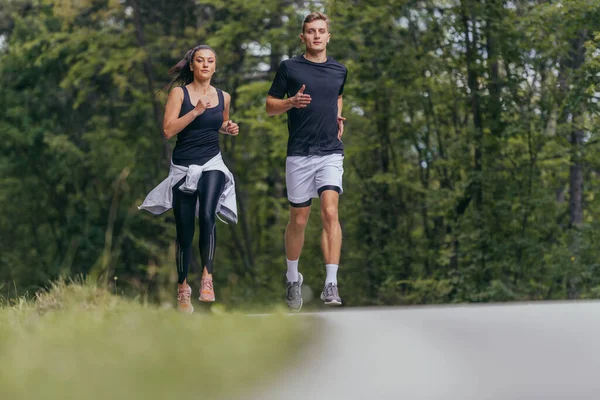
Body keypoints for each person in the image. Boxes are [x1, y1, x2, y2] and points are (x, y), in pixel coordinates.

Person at [139, 45, 240, 313]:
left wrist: (228, 128)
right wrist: (194, 111)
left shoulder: (223, 96)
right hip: (183, 168)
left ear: (215, 67)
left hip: (212, 163)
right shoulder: (178, 94)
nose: (205, 65)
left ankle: (207, 277)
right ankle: (183, 288)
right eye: (200, 60)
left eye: (210, 61)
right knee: (185, 233)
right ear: (192, 66)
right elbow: (168, 130)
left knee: (208, 214)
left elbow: (219, 121)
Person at [266, 12, 348, 311]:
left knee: (329, 211)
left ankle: (331, 283)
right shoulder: (290, 67)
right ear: (303, 37)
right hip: (299, 153)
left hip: (330, 151)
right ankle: (292, 277)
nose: (316, 36)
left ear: (329, 36)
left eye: (321, 31)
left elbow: (338, 95)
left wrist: (337, 114)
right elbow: (270, 106)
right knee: (299, 220)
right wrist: (290, 102)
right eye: (311, 31)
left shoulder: (340, 70)